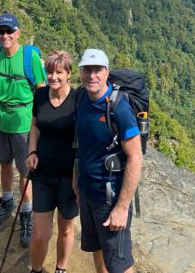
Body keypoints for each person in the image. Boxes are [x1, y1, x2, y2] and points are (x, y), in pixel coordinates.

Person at [73, 49, 142, 273]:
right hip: (87, 191)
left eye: (97, 70)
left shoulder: (119, 108)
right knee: (98, 250)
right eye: (87, 70)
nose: (92, 75)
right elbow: (81, 144)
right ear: (81, 72)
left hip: (109, 197)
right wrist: (77, 182)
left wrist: (122, 208)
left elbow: (135, 157)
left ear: (107, 73)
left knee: (119, 264)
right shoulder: (82, 97)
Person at [0, 13, 46, 248]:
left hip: (23, 122)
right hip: (0, 119)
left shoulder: (29, 56)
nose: (5, 35)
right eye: (2, 31)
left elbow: (41, 90)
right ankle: (7, 201)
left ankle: (26, 213)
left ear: (18, 33)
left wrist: (40, 126)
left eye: (10, 31)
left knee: (25, 171)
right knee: (4, 163)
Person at [27, 51, 79, 273]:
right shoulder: (40, 96)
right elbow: (35, 125)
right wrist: (32, 152)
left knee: (66, 229)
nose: (53, 77)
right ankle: (36, 269)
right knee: (40, 234)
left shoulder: (78, 98)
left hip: (69, 177)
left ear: (68, 73)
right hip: (43, 174)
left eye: (59, 72)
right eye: (50, 72)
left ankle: (61, 269)